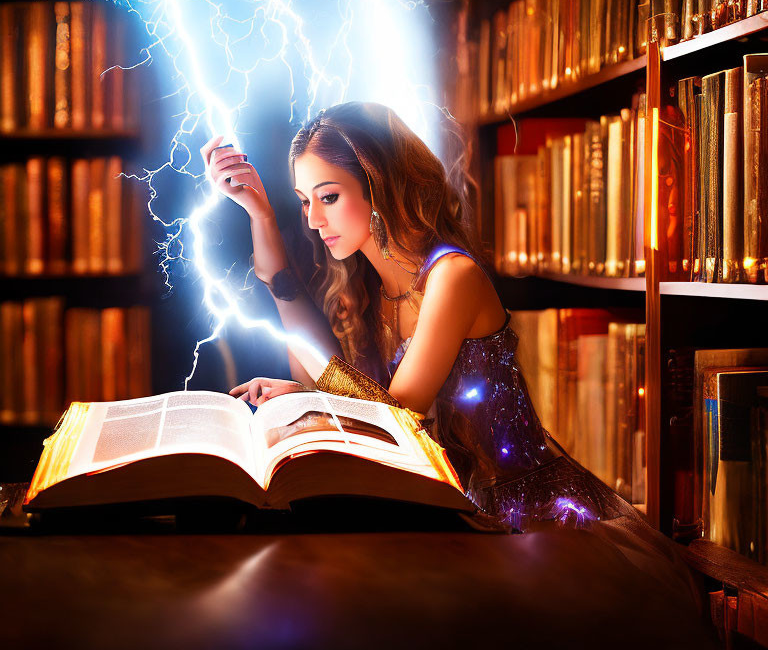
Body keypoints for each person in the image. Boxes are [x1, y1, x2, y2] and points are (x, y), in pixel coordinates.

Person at [201, 102, 713, 638]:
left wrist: (308, 395)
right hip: (444, 507)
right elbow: (321, 368)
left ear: (380, 186)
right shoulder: (366, 293)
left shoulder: (453, 276)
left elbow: (395, 416)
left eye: (328, 197)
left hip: (522, 518)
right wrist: (260, 215)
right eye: (304, 201)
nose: (312, 219)